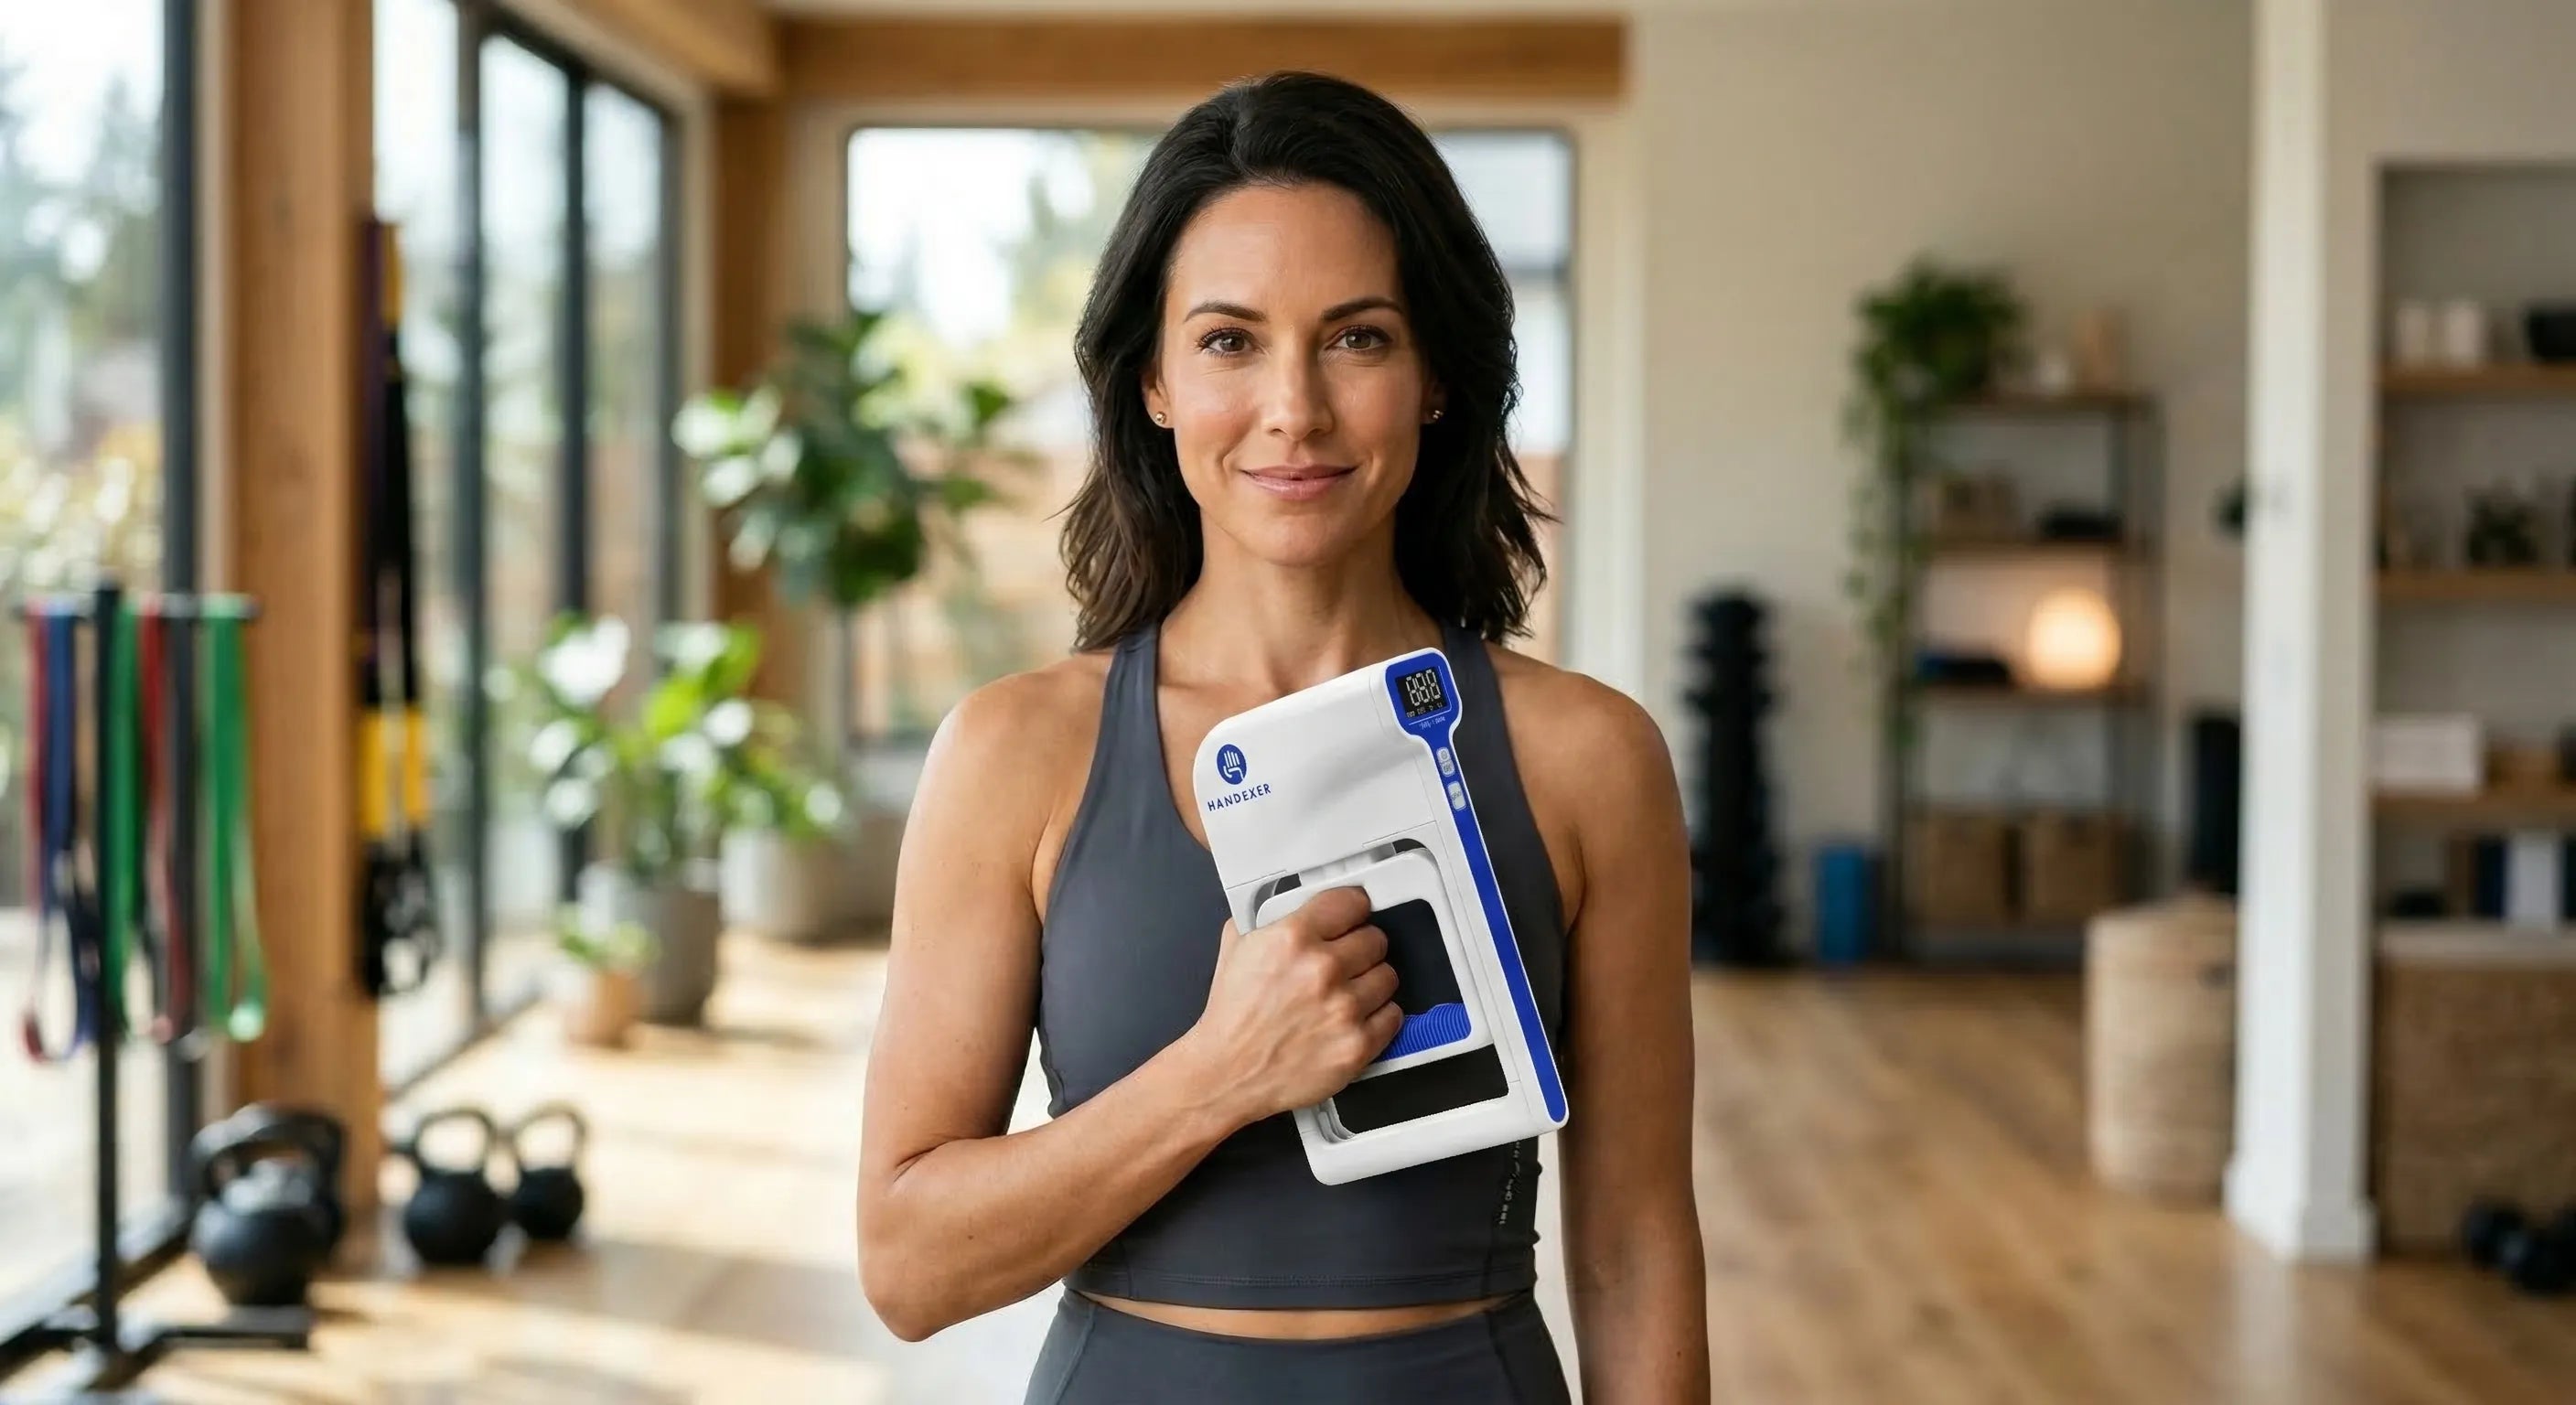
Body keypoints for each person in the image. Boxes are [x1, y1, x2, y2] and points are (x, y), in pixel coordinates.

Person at [856, 71, 1707, 1403]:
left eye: (1357, 338)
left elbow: (1635, 1246)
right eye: (1229, 341)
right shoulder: (1014, 755)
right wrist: (1218, 1074)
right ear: (1152, 380)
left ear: (1436, 377)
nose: (1295, 408)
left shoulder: (1589, 761)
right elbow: (910, 1270)